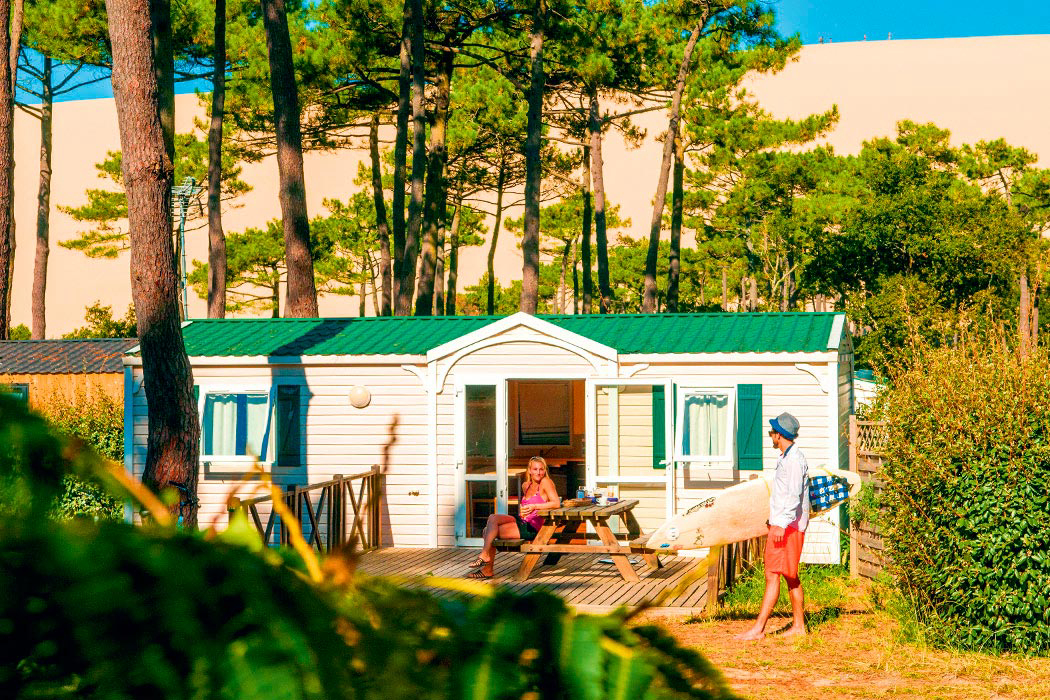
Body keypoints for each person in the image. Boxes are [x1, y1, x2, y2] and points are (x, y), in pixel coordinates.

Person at [737, 412, 810, 640]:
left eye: (772, 432)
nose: (770, 435)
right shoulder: (786, 458)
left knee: (773, 574)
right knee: (789, 575)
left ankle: (759, 629)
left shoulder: (794, 461)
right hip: (784, 525)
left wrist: (779, 525)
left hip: (786, 527)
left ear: (780, 435)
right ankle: (798, 626)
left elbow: (794, 496)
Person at [467, 456, 560, 580]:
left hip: (532, 526)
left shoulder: (546, 482)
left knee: (487, 532)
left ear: (545, 470)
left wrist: (535, 506)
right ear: (529, 470)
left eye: (541, 469)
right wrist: (526, 508)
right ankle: (486, 562)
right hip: (522, 520)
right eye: (535, 469)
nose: (538, 472)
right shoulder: (526, 485)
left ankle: (486, 564)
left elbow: (556, 503)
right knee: (493, 518)